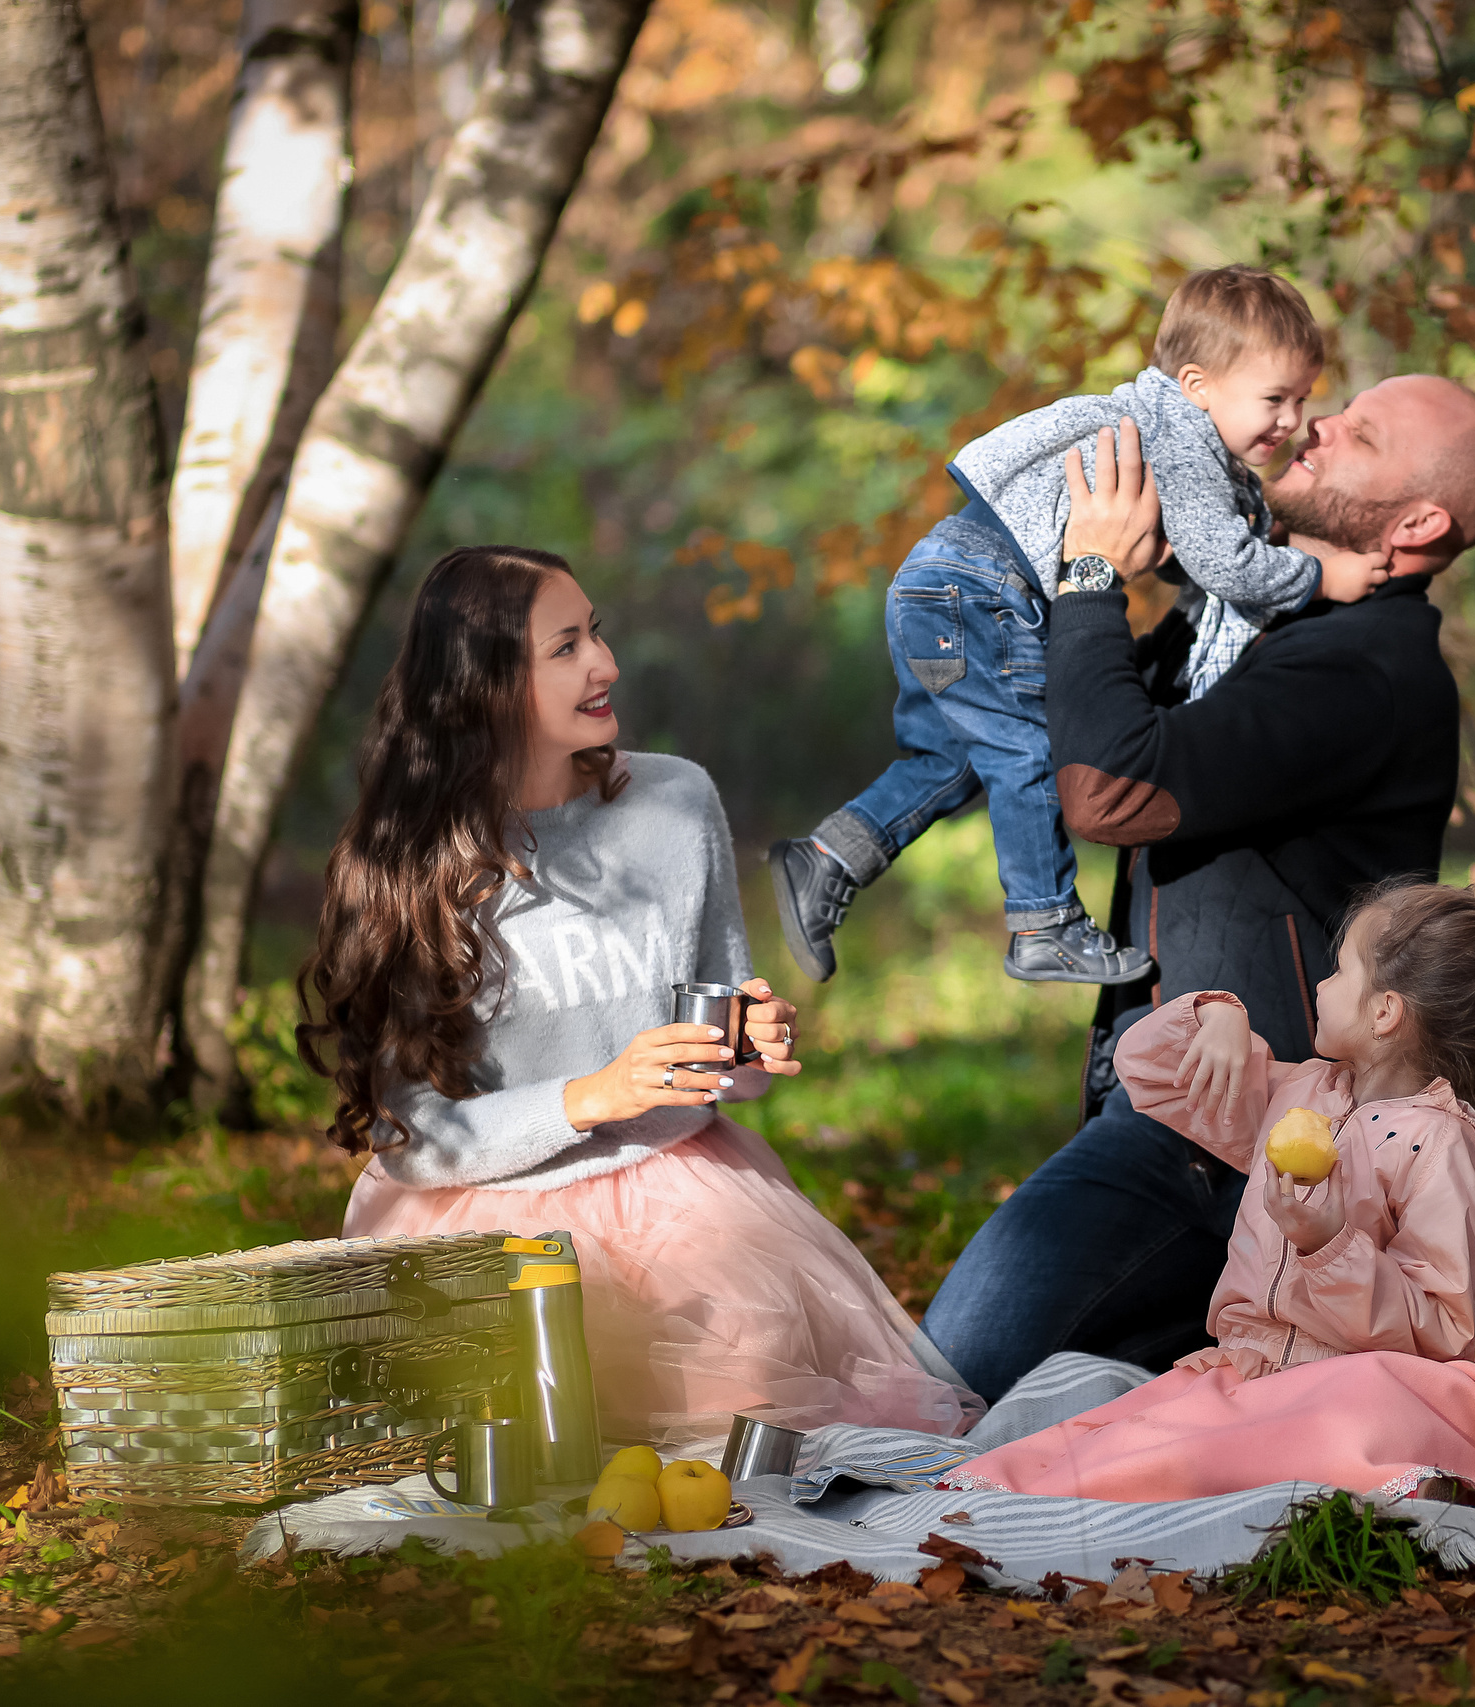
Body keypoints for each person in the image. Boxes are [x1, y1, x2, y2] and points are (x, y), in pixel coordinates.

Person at [922, 379, 1475, 1403]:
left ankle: (1443, 1350)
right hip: (1176, 1090)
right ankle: (1389, 1338)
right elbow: (1088, 715)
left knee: (953, 1381)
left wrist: (1091, 575)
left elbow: (1114, 788)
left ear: (1419, 522)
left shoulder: (1365, 671)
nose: (1320, 425)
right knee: (1070, 1374)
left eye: (1362, 435)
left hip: (1248, 1134)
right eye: (1337, 407)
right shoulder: (1265, 630)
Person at [301, 544, 979, 1450]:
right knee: (550, 1422)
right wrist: (595, 1096)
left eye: (598, 633)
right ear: (486, 685)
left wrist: (745, 1045)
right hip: (487, 1222)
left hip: (687, 1199)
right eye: (567, 646)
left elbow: (723, 1066)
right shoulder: (410, 861)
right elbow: (410, 1134)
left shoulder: (674, 802)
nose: (606, 664)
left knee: (763, 1401)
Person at [940, 881, 1475, 1538]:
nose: (1319, 986)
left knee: (1348, 1409)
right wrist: (1213, 1017)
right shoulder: (1299, 1092)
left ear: (1386, 1011)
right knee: (1122, 1442)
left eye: (1337, 970)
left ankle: (1377, 1468)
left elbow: (1445, 1333)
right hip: (1251, 1372)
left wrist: (1330, 1243)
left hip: (1357, 1381)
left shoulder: (1442, 1147)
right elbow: (1148, 1075)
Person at [768, 266, 1390, 988]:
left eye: (1302, 397)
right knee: (1027, 751)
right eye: (1274, 399)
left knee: (955, 761)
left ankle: (826, 859)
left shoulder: (1162, 426)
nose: (1291, 420)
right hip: (982, 592)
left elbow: (1179, 555)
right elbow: (1223, 564)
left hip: (937, 584)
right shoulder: (1183, 439)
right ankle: (1044, 924)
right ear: (1197, 386)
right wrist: (1323, 576)